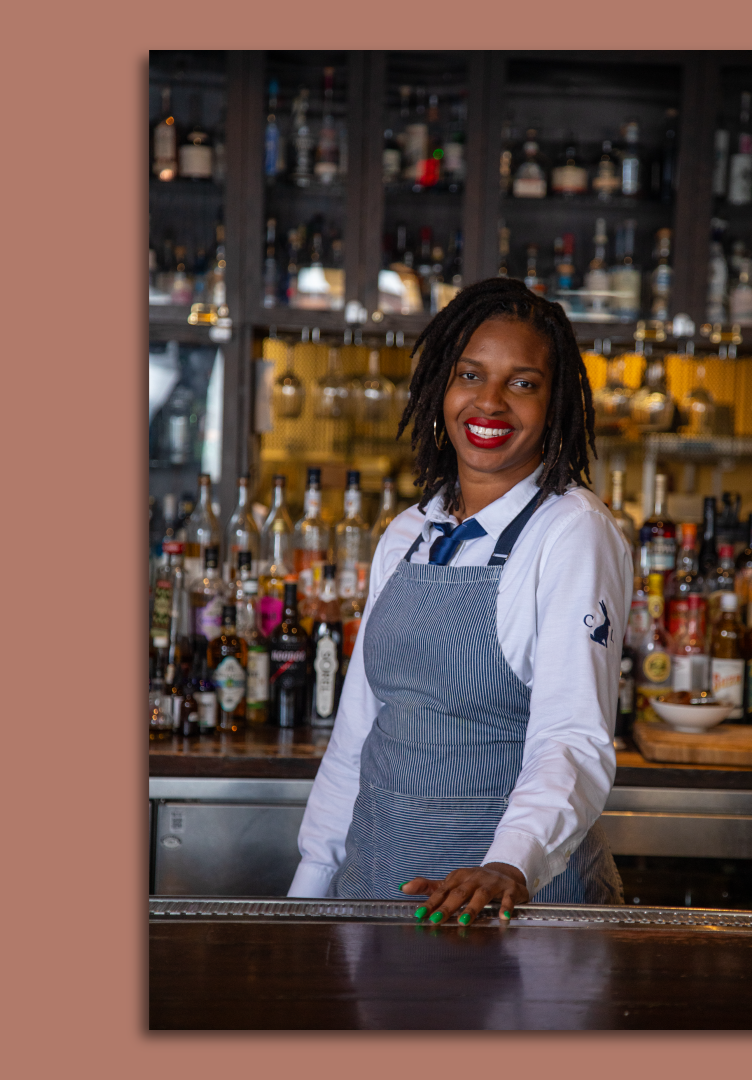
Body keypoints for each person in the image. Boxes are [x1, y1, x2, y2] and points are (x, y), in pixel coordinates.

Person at [288, 278, 632, 922]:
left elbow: (572, 737)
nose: (491, 402)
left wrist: (510, 864)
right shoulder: (409, 534)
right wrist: (309, 889)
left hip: (504, 902)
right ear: (442, 386)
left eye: (523, 383)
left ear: (555, 404)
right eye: (471, 374)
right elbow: (358, 731)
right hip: (376, 882)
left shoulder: (571, 531)